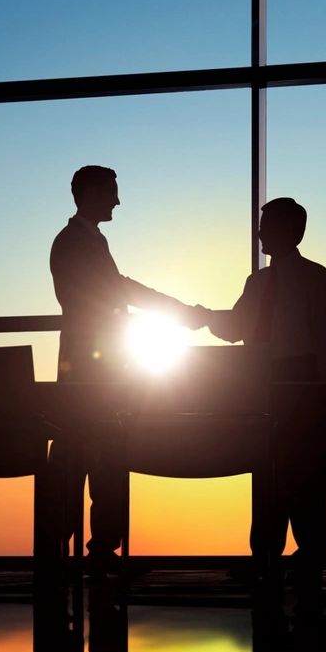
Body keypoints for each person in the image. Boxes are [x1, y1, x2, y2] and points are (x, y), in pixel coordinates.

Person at [44, 165, 207, 572]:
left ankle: (82, 547)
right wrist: (181, 312)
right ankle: (88, 548)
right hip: (92, 370)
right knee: (92, 456)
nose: (118, 200)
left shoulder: (82, 241)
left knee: (92, 456)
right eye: (112, 191)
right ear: (91, 192)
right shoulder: (75, 243)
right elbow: (115, 292)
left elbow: (113, 292)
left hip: (94, 366)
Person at [209, 198, 326, 601]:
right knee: (267, 468)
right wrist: (198, 316)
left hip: (299, 379)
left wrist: (324, 391)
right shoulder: (258, 282)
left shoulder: (314, 277)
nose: (261, 232)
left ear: (291, 231)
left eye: (267, 225)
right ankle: (267, 553)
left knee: (300, 469)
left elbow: (325, 338)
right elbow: (234, 328)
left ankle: (307, 552)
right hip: (263, 379)